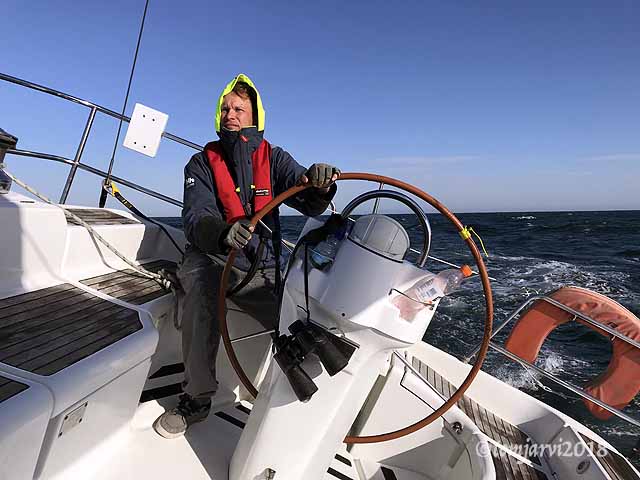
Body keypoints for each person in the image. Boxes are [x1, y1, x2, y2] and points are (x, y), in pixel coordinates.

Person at [153, 74, 339, 439]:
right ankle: (197, 399)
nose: (230, 114)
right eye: (225, 109)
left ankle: (307, 403)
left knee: (299, 322)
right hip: (211, 259)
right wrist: (223, 233)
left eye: (239, 109)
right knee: (198, 292)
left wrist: (321, 185)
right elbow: (196, 218)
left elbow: (308, 200)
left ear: (254, 117)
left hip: (260, 266)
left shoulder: (275, 158)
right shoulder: (200, 164)